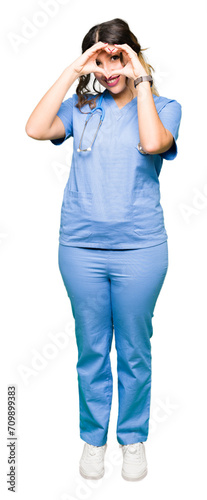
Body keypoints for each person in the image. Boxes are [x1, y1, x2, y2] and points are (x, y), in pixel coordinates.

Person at [25, 18, 182, 482]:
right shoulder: (82, 106)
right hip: (80, 247)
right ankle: (93, 440)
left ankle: (132, 440)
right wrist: (75, 69)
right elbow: (34, 128)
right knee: (91, 349)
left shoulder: (165, 107)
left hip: (140, 249)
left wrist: (141, 78)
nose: (108, 67)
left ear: (131, 56)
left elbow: (152, 143)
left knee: (134, 349)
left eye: (117, 56)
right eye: (100, 58)